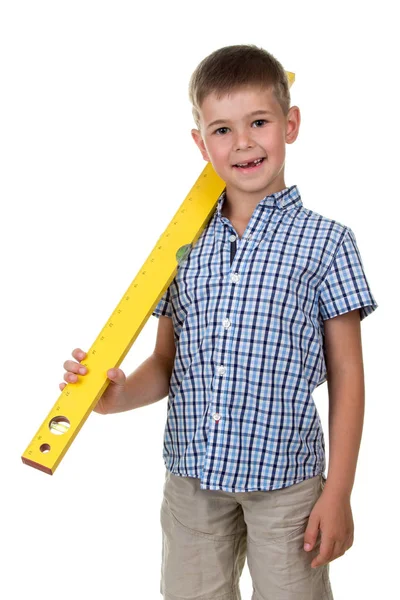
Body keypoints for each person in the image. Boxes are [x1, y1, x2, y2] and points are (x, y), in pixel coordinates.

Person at [60, 45, 378, 600]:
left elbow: (348, 377)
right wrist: (116, 395)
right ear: (200, 143)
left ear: (291, 124)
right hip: (192, 480)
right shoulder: (181, 248)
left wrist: (339, 492)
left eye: (259, 121)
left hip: (287, 484)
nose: (244, 142)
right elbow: (165, 362)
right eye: (223, 130)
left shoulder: (328, 242)